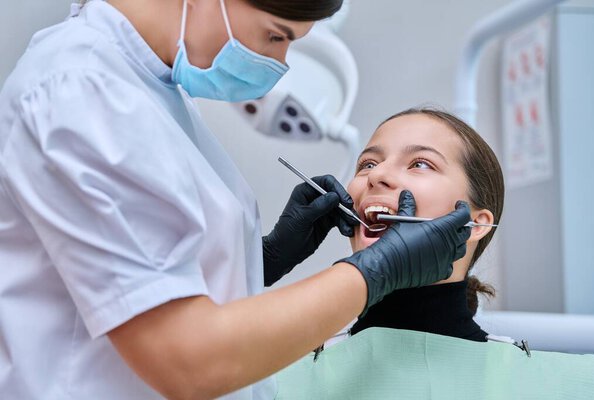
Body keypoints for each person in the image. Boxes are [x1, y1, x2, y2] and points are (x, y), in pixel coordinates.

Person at [0, 1, 471, 399]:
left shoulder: (150, 90)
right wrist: (374, 273)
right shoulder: (81, 93)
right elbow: (186, 358)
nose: (280, 62)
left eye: (421, 164)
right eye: (276, 35)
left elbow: (144, 273)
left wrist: (260, 261)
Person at [346, 108, 504, 341]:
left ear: (474, 224)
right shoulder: (287, 371)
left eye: (420, 164)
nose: (376, 174)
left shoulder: (529, 375)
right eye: (368, 164)